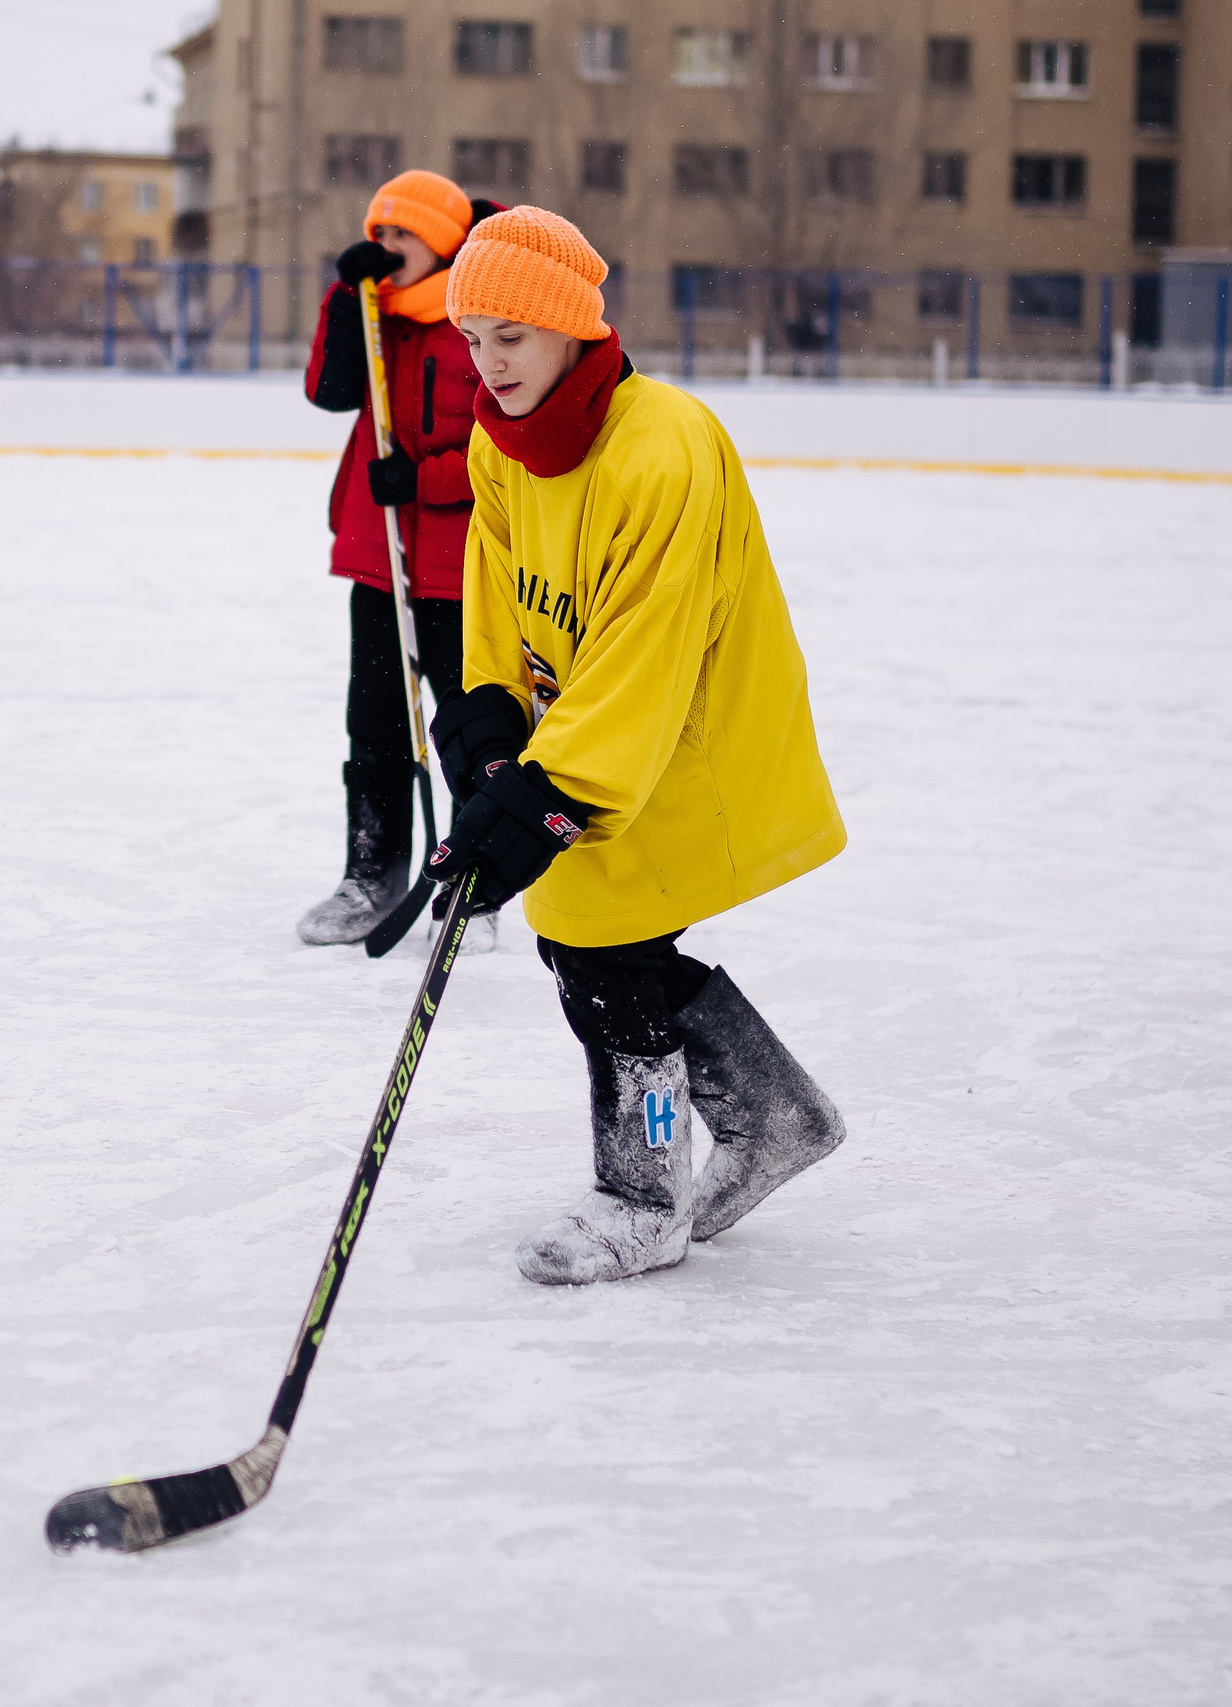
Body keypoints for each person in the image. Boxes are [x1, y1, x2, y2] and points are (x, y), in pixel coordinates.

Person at [426, 207, 849, 1285]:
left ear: (569, 327)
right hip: (595, 731)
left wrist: (543, 795)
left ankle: (641, 1195)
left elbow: (650, 651)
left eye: (509, 336)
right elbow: (491, 591)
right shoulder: (497, 438)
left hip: (685, 736)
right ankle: (773, 1115)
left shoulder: (662, 445)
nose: (488, 363)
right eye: (470, 338)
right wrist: (485, 729)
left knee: (604, 949)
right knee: (585, 941)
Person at [296, 171, 498, 946]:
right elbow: (328, 389)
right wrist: (345, 300)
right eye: (376, 235)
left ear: (443, 242)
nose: (384, 249)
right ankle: (369, 876)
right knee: (374, 722)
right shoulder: (377, 316)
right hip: (381, 555)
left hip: (459, 564)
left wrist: (421, 477)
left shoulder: (481, 322)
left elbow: (497, 449)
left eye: (401, 235)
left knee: (467, 726)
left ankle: (475, 884)